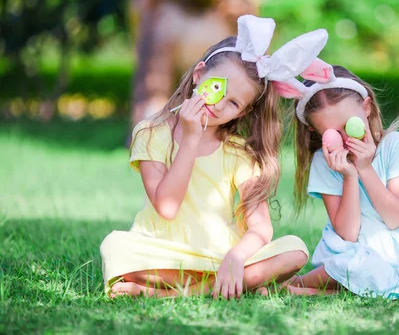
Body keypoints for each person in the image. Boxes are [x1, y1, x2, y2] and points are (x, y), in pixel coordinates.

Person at [101, 15, 328, 299]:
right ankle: (235, 284)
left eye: (233, 102)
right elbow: (167, 207)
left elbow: (260, 227)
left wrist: (235, 257)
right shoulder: (151, 132)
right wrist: (191, 138)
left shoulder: (238, 152)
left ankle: (170, 293)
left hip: (220, 257)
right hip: (161, 252)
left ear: (242, 112)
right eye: (217, 88)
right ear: (199, 75)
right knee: (116, 247)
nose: (219, 104)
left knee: (295, 250)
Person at [278, 64, 399, 299]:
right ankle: (304, 286)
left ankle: (304, 287)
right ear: (314, 131)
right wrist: (350, 175)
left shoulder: (395, 144)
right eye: (331, 133)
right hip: (349, 252)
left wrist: (364, 167)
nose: (344, 138)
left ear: (366, 107)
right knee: (353, 264)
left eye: (348, 125)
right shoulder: (325, 162)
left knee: (377, 270)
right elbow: (348, 234)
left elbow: (394, 218)